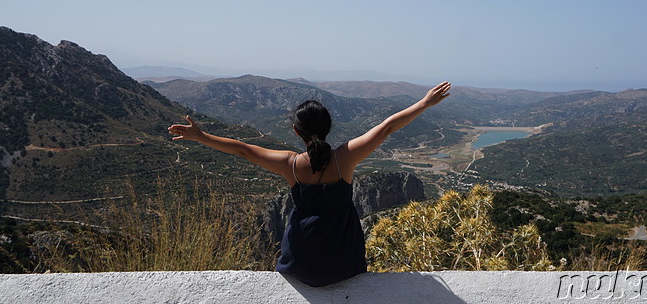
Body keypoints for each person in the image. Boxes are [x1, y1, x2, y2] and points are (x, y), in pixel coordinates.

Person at [168, 81, 451, 286]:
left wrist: (202, 137)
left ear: (296, 131)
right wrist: (424, 103)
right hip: (344, 267)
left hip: (299, 266)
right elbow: (388, 127)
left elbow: (242, 149)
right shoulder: (345, 159)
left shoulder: (290, 164)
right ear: (329, 127)